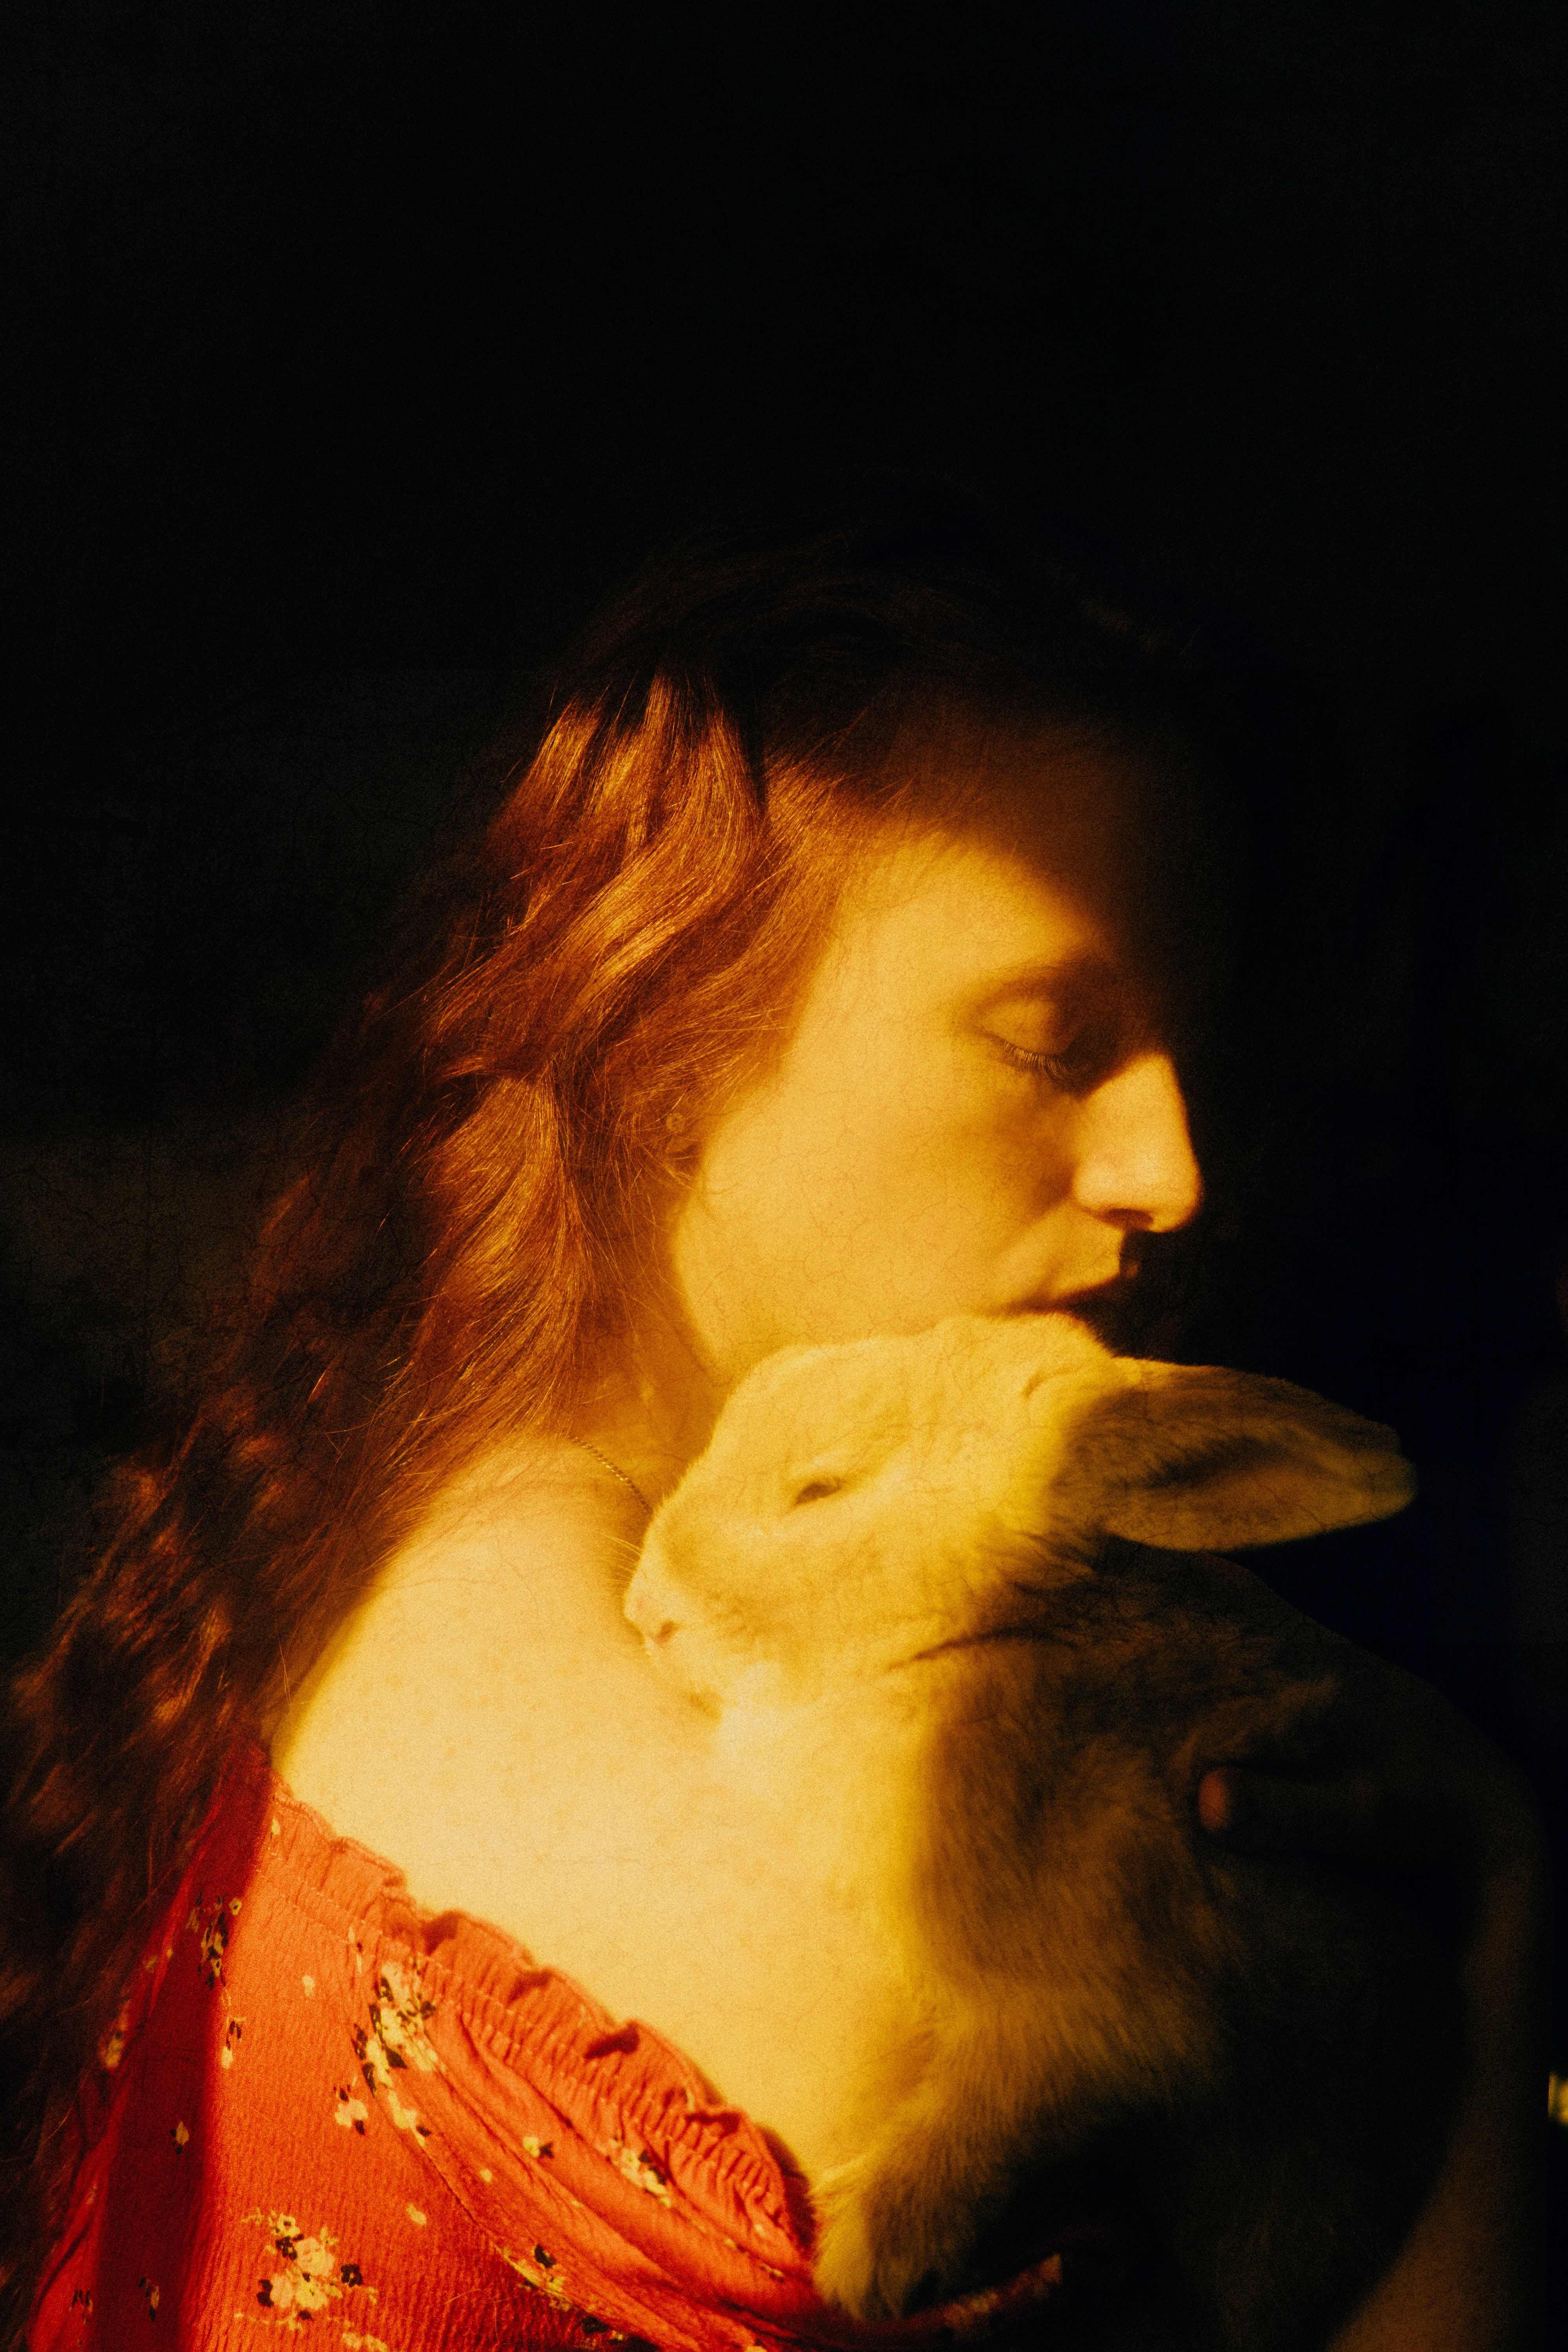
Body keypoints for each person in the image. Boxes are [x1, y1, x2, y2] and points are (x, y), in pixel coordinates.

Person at [0, 478, 1547, 2350]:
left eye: (1183, 1062)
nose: (1170, 1173)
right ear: (674, 1028)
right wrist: (1499, 1944)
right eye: (1050, 1040)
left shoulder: (434, 1521)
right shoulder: (827, 1895)